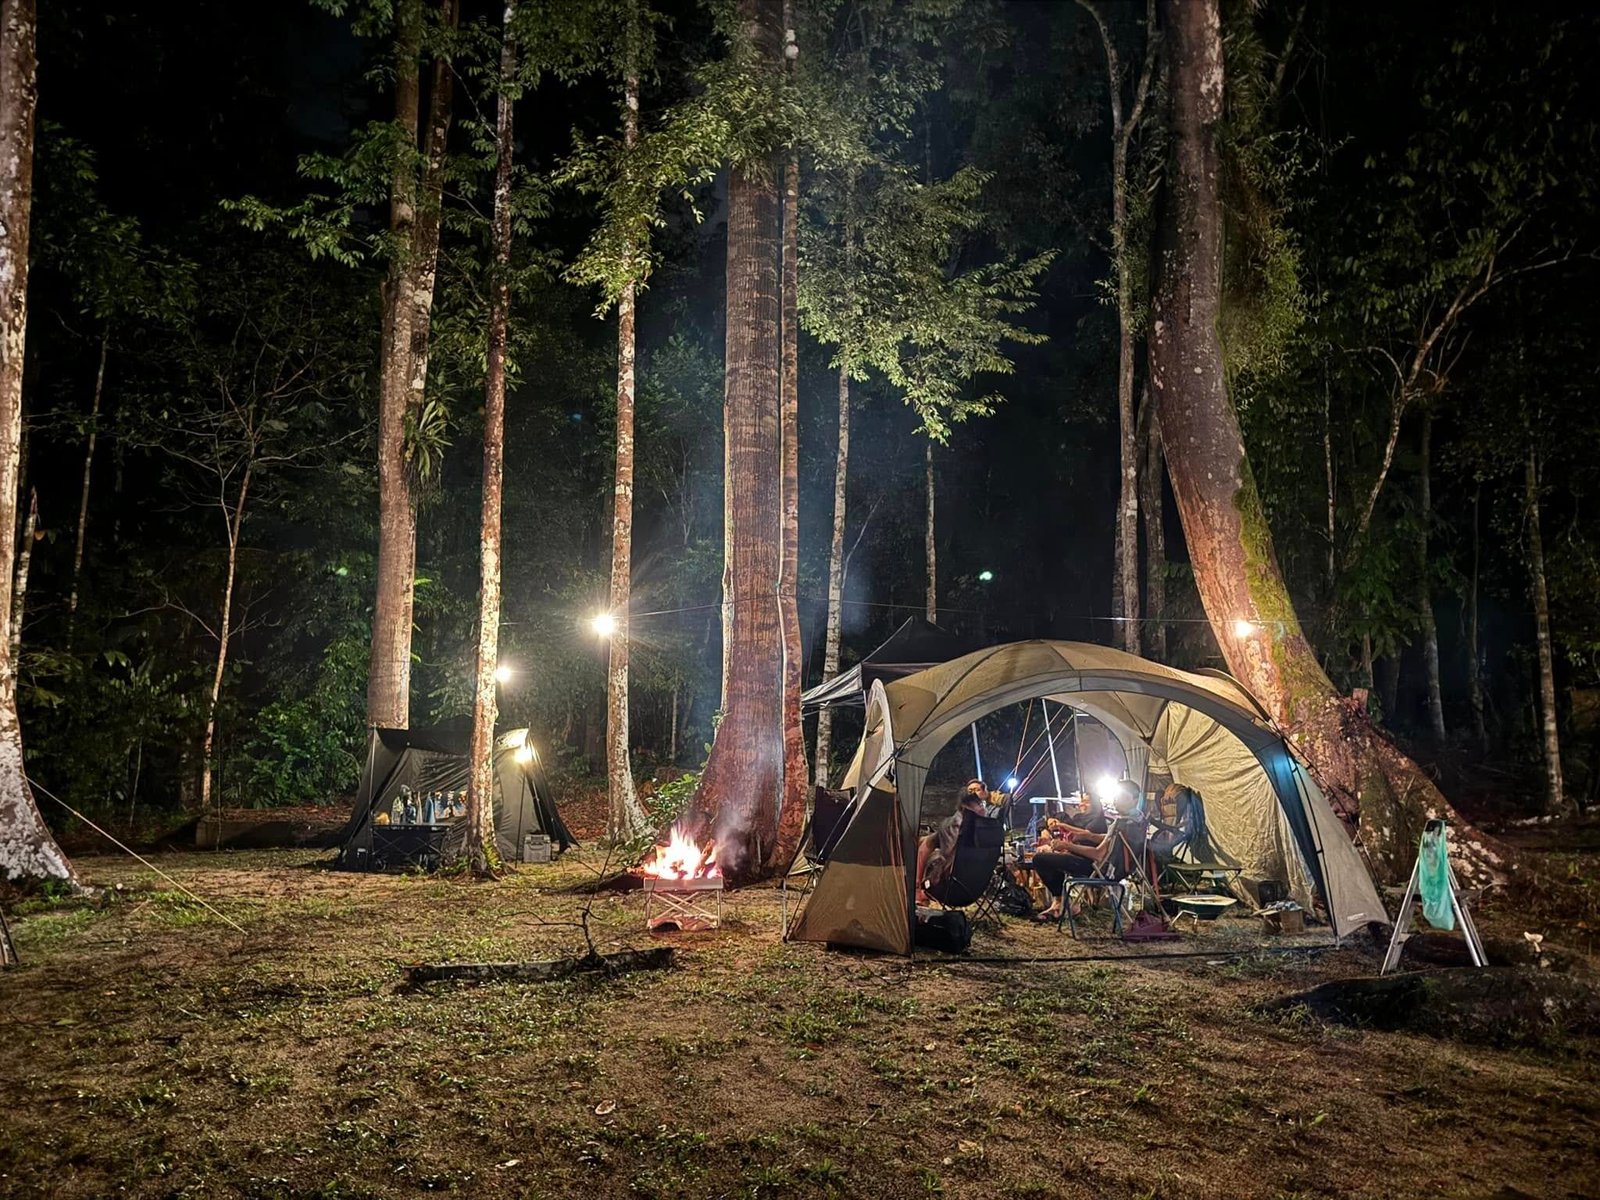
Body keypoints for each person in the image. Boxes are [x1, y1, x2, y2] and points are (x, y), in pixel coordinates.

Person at [915, 782, 991, 903]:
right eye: (970, 791)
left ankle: (917, 888)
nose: (973, 793)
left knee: (926, 845)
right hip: (978, 887)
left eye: (976, 790)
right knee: (925, 841)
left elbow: (943, 856)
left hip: (950, 889)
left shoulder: (956, 826)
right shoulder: (990, 827)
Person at [1030, 823, 1113, 923]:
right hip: (1099, 866)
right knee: (1050, 857)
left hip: (1101, 871)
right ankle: (1061, 903)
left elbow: (1098, 854)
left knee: (1040, 860)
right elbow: (1104, 838)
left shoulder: (1123, 825)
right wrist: (1084, 836)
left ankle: (1060, 903)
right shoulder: (1124, 824)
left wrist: (1068, 846)